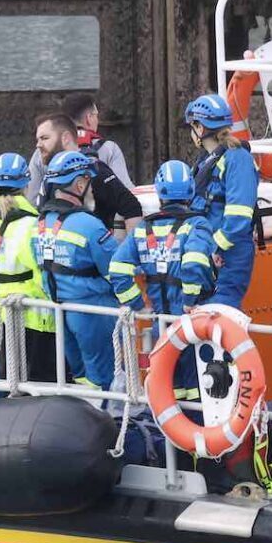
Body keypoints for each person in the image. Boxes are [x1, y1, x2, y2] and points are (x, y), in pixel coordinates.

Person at [111, 159, 219, 406]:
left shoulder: (142, 229)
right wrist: (190, 302)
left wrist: (138, 306)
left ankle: (171, 441)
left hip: (162, 323)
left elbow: (117, 269)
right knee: (197, 387)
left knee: (171, 385)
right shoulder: (197, 224)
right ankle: (194, 438)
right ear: (191, 191)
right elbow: (193, 264)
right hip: (190, 323)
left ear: (159, 192)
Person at [30, 151, 127, 393]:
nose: (92, 190)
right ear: (80, 183)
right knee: (104, 378)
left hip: (61, 311)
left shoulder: (39, 224)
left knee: (81, 377)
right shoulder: (90, 225)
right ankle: (107, 427)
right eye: (89, 184)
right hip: (94, 311)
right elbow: (115, 269)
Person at [0, 152, 53, 386]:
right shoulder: (32, 224)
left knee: (6, 380)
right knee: (40, 383)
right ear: (26, 184)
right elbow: (41, 274)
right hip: (32, 314)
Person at [186, 92, 263, 309]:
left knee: (220, 314)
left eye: (193, 127)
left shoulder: (237, 159)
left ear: (200, 129)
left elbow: (238, 218)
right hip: (208, 253)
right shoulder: (206, 161)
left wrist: (214, 249)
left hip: (228, 256)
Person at [40, 110, 142, 226]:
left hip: (94, 240)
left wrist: (130, 244)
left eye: (45, 138)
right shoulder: (45, 167)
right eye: (38, 139)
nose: (38, 144)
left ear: (65, 138)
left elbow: (131, 207)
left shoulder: (95, 169)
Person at [63, 93, 133, 187]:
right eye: (96, 115)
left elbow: (36, 196)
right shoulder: (109, 149)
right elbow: (126, 190)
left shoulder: (45, 150)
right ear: (88, 118)